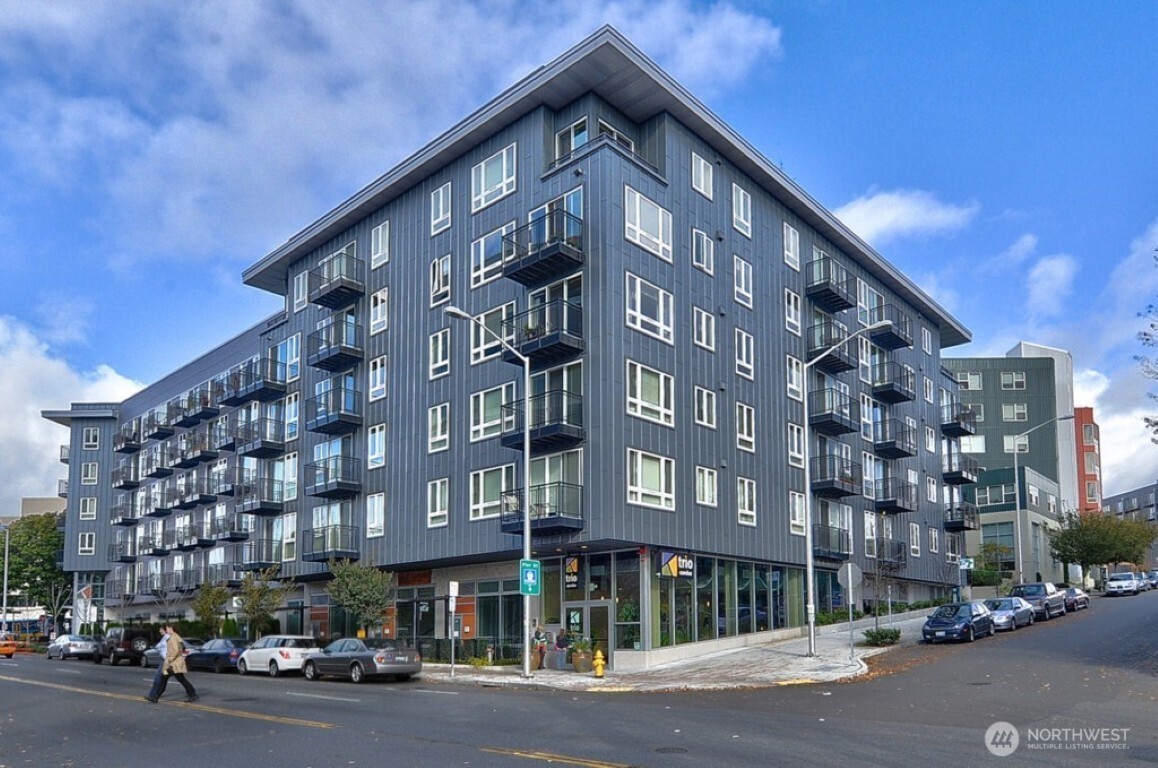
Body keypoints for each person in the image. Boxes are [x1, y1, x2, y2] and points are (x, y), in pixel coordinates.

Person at [147, 623, 198, 703]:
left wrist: (169, 659)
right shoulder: (174, 636)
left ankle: (193, 694)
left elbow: (175, 650)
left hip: (174, 662)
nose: (166, 630)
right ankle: (155, 697)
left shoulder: (174, 637)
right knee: (165, 679)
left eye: (167, 628)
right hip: (173, 662)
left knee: (179, 679)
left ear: (171, 629)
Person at [144, 629, 170, 702]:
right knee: (163, 679)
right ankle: (154, 696)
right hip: (165, 659)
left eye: (161, 629)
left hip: (166, 660)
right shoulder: (165, 637)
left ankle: (153, 695)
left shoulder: (168, 637)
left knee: (158, 677)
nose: (160, 631)